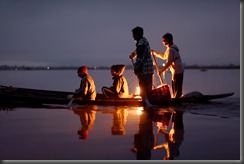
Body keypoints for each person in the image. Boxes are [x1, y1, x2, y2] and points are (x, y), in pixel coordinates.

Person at [151, 33, 184, 98]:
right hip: (175, 72)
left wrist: (161, 71)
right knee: (175, 88)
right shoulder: (169, 48)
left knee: (177, 89)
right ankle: (176, 98)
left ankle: (177, 101)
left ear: (168, 40)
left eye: (164, 40)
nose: (163, 42)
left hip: (177, 72)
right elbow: (164, 56)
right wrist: (155, 53)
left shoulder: (172, 50)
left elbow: (169, 63)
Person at [129, 26, 154, 107]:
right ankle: (148, 104)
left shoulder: (141, 43)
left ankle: (147, 104)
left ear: (137, 34)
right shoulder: (143, 41)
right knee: (147, 88)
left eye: (134, 34)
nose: (133, 36)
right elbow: (138, 52)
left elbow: (141, 58)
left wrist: (137, 68)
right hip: (148, 69)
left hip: (144, 70)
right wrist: (134, 54)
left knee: (144, 88)